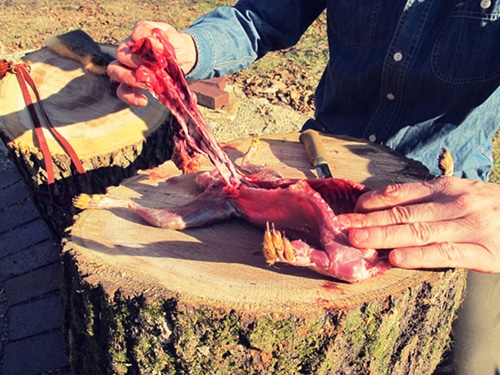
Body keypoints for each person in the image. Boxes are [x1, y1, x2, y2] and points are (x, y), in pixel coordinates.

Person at [107, 1, 500, 373]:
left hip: (446, 199)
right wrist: (186, 50)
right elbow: (259, 17)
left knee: (473, 363)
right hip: (318, 153)